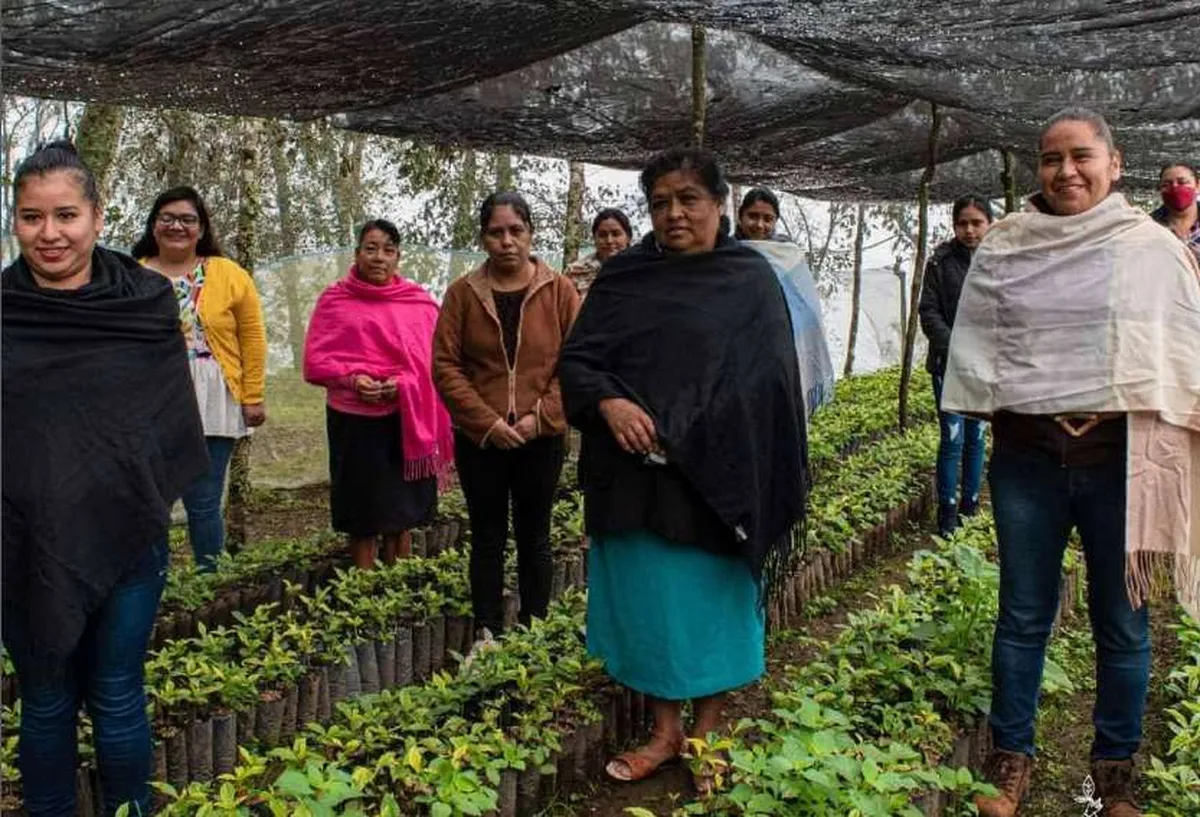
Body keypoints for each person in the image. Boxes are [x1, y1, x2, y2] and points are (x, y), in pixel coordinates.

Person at [942, 109, 1200, 817]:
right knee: (1023, 614)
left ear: (1115, 165)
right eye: (1051, 159)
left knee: (1124, 622)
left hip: (1124, 462)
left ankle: (1115, 771)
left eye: (1081, 156)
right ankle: (1010, 758)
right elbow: (981, 354)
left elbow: (1178, 351)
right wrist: (1039, 400)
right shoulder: (1005, 247)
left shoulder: (1150, 248)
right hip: (1029, 461)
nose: (1066, 171)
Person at [558, 148, 812, 795]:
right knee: (653, 609)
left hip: (717, 479)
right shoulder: (624, 279)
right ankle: (665, 731)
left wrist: (692, 427)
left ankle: (708, 733)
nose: (674, 214)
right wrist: (612, 403)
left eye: (689, 199)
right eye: (661, 202)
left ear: (719, 204)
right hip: (637, 479)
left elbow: (770, 382)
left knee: (709, 609)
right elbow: (579, 362)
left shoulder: (749, 282)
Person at [2, 142, 208, 816]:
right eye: (31, 217)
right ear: (15, 220)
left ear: (97, 214)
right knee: (47, 698)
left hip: (126, 535)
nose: (50, 233)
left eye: (66, 214)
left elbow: (164, 420)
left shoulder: (145, 303)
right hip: (22, 543)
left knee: (117, 692)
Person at [433, 192, 581, 639]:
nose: (507, 241)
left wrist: (541, 417)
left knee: (535, 536)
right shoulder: (463, 294)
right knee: (487, 538)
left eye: (516, 230)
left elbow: (575, 361)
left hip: (541, 438)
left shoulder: (559, 291)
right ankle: (488, 630)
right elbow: (445, 365)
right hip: (482, 441)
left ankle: (533, 631)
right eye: (496, 233)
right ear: (483, 238)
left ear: (531, 233)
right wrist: (488, 423)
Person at [304, 220, 454, 569]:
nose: (379, 257)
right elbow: (315, 363)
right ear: (357, 254)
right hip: (353, 422)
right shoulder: (335, 300)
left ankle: (395, 586)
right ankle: (363, 587)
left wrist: (402, 384)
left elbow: (437, 362)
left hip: (405, 419)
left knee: (401, 511)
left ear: (398, 257)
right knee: (362, 510)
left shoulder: (418, 304)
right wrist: (353, 379)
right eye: (370, 248)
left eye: (388, 250)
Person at [133, 186, 267, 571]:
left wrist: (252, 395)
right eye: (168, 218)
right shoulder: (133, 274)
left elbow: (252, 337)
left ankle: (209, 580)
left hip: (214, 395)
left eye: (187, 219)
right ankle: (150, 581)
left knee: (204, 499)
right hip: (151, 399)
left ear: (202, 227)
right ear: (154, 225)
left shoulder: (228, 274)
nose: (177, 226)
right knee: (151, 499)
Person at [918, 194, 994, 536]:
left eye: (977, 222)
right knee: (952, 439)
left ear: (989, 224)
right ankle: (947, 515)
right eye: (963, 223)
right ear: (954, 225)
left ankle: (970, 507)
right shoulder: (940, 263)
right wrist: (956, 348)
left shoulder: (1000, 261)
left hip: (985, 366)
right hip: (948, 365)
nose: (969, 230)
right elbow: (928, 311)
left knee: (977, 438)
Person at [564, 207, 633, 297]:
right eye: (602, 235)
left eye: (616, 234)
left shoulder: (642, 268)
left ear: (628, 237)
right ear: (594, 238)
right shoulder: (575, 272)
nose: (609, 241)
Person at [1150, 162, 1200, 264]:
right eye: (1166, 185)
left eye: (1182, 182)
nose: (1175, 188)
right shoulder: (1149, 227)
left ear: (1197, 186)